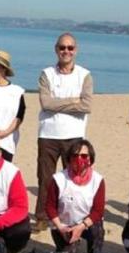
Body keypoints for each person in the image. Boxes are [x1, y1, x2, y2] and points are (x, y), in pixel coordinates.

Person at [34, 32, 93, 232]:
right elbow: (46, 103)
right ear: (56, 49)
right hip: (48, 135)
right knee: (45, 179)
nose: (66, 51)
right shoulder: (46, 74)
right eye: (62, 47)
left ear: (75, 50)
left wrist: (58, 103)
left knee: (74, 178)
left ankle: (71, 215)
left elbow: (86, 105)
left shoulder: (84, 75)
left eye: (70, 48)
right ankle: (42, 217)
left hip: (74, 135)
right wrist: (73, 101)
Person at [44, 140, 105, 253]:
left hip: (86, 223)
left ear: (90, 158)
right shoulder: (59, 179)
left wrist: (81, 226)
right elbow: (50, 207)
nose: (79, 159)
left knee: (97, 231)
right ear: (69, 158)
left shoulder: (97, 180)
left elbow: (98, 210)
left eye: (84, 156)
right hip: (64, 224)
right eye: (75, 155)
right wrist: (60, 227)